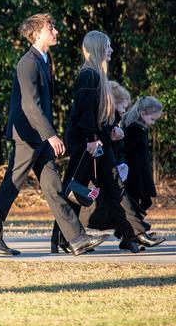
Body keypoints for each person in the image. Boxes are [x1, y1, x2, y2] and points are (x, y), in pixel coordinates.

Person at [0, 14, 105, 256]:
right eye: (51, 28)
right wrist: (51, 135)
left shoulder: (45, 59)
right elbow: (30, 105)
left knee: (54, 187)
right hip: (28, 136)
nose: (55, 32)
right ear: (36, 34)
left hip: (40, 137)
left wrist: (48, 135)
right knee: (12, 185)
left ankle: (76, 239)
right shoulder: (28, 63)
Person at [55, 32, 162, 253]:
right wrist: (92, 139)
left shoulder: (98, 75)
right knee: (75, 188)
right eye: (108, 46)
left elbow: (98, 113)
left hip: (99, 141)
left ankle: (135, 233)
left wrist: (111, 129)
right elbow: (84, 112)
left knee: (114, 187)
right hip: (88, 144)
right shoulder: (88, 75)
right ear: (98, 48)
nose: (111, 50)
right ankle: (63, 238)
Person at [120, 96, 164, 233]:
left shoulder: (141, 129)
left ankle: (129, 231)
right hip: (135, 174)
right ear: (143, 113)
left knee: (145, 202)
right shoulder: (134, 129)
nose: (153, 123)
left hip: (142, 173)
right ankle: (130, 230)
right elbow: (126, 150)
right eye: (152, 119)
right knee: (137, 203)